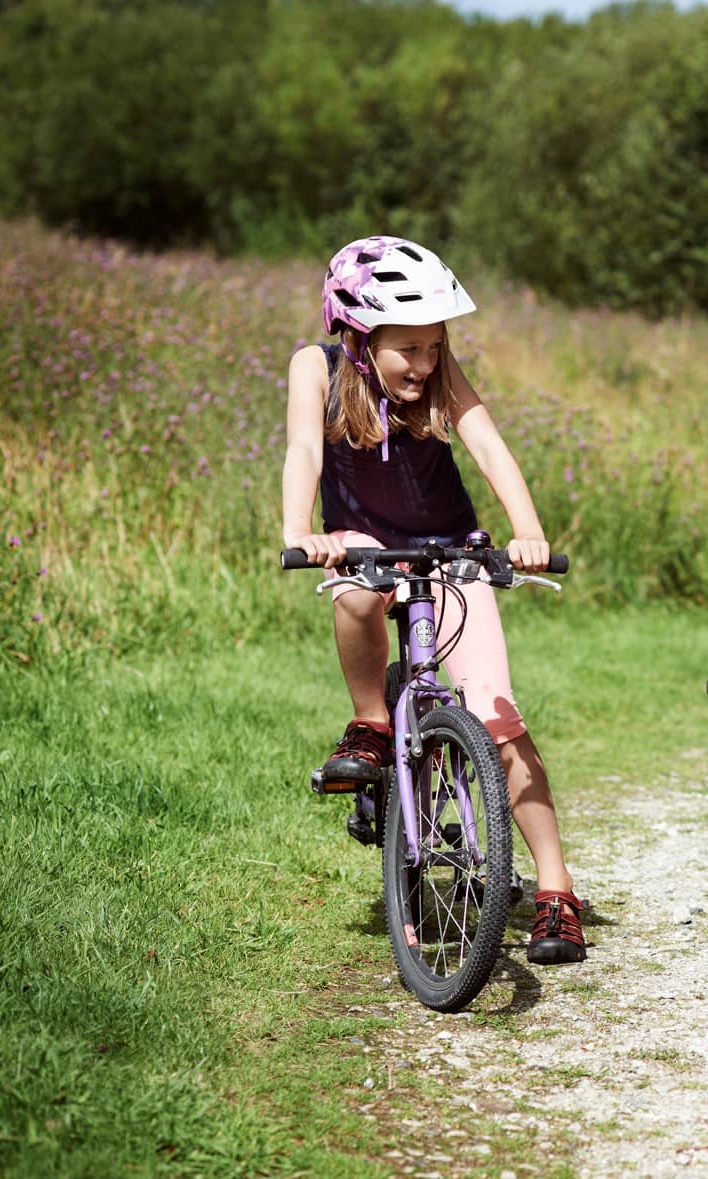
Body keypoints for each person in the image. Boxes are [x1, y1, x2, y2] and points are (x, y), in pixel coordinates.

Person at [281, 235, 585, 965]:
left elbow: (487, 443)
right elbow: (304, 450)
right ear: (359, 334)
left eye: (433, 345)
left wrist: (528, 530)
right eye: (406, 348)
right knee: (354, 595)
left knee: (498, 717)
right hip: (362, 544)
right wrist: (300, 528)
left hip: (450, 548)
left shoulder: (440, 375)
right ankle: (370, 722)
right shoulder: (315, 368)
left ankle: (554, 890)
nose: (423, 363)